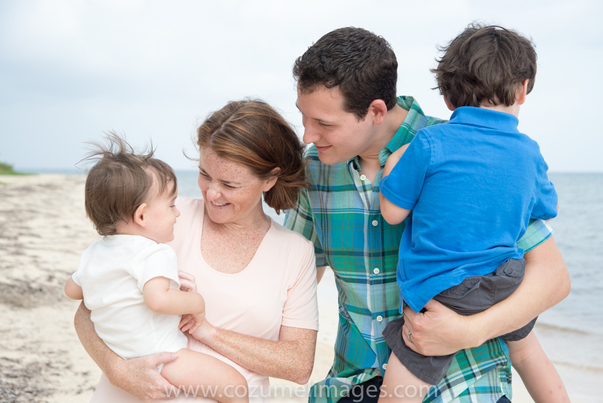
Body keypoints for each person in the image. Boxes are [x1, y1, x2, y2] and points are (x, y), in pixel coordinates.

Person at [285, 26, 570, 403]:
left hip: (463, 384)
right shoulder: (314, 170)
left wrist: (470, 331)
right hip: (353, 384)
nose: (307, 135)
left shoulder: (466, 151)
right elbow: (291, 282)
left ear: (375, 111)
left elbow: (551, 277)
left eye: (324, 123)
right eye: (303, 117)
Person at [73, 100, 319, 402]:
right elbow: (87, 310)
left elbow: (298, 365)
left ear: (269, 179)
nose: (212, 193)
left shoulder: (295, 253)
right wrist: (117, 370)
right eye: (204, 174)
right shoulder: (161, 219)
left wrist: (208, 331)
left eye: (229, 184)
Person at [378, 24, 568, 402]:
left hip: (445, 291)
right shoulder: (529, 151)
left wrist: (393, 163)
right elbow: (547, 208)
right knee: (528, 352)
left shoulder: (429, 143)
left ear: (447, 98)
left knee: (397, 394)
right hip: (508, 279)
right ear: (523, 89)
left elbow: (393, 213)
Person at [65, 134, 249, 402]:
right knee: (236, 386)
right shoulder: (154, 252)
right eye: (172, 205)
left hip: (119, 353)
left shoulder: (94, 252)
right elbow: (158, 300)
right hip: (161, 355)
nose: (178, 212)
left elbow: (72, 290)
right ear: (142, 215)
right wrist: (196, 303)